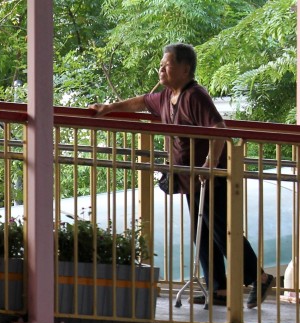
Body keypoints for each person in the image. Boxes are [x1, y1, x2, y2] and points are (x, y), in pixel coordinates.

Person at [89, 43, 273, 309]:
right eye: (161, 64)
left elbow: (219, 128)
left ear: (185, 69)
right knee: (202, 234)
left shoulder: (195, 95)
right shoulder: (165, 96)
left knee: (221, 230)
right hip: (189, 178)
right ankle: (218, 290)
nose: (162, 69)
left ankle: (260, 276)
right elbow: (141, 101)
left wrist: (209, 164)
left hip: (209, 176)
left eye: (168, 64)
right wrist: (109, 107)